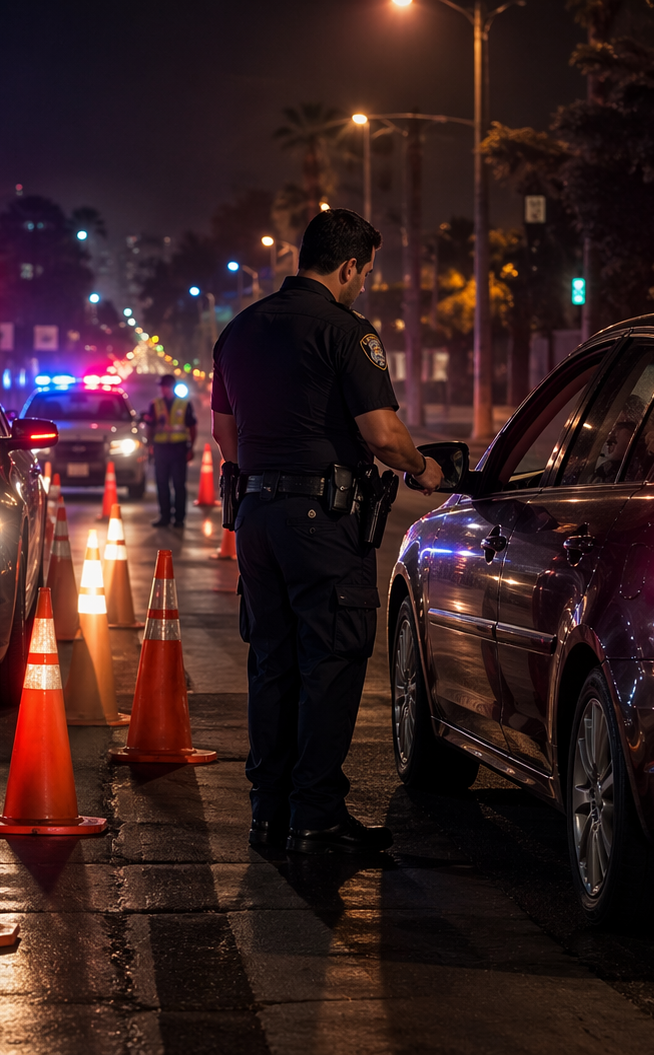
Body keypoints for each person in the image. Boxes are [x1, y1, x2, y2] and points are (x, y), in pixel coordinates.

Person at [211, 209, 444, 855]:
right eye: (362, 272)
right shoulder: (346, 332)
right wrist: (423, 469)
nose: (360, 283)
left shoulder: (238, 329)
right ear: (347, 266)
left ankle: (269, 812)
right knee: (330, 662)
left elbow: (224, 436)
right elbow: (380, 433)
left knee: (272, 662)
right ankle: (314, 815)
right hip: (322, 522)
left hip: (255, 516)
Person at [143, 374, 197, 527]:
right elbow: (150, 426)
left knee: (179, 484)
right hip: (161, 449)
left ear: (171, 386)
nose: (162, 389)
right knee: (162, 484)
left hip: (178, 448)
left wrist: (191, 447)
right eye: (161, 386)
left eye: (165, 386)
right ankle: (164, 516)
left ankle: (179, 518)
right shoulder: (155, 404)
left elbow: (192, 427)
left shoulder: (184, 404)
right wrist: (150, 445)